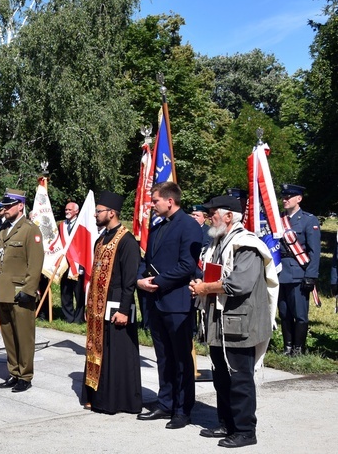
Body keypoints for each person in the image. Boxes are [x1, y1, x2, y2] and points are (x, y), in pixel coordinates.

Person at [189, 195, 278, 448]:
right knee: (221, 378)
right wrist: (201, 285)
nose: (208, 216)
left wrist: (205, 288)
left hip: (240, 323)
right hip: (220, 323)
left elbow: (239, 283)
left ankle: (245, 431)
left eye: (213, 212)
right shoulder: (218, 242)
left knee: (239, 378)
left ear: (229, 216)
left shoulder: (246, 244)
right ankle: (227, 423)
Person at [136, 181, 202, 429]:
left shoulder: (189, 226)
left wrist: (159, 281)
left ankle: (182, 409)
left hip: (177, 301)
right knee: (163, 357)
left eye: (155, 201)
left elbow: (188, 265)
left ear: (170, 201)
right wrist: (140, 280)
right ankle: (165, 403)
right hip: (155, 299)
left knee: (181, 358)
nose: (152, 205)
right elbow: (147, 259)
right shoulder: (158, 226)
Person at [82, 191, 142, 414]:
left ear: (112, 213)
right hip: (98, 306)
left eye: (99, 211)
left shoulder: (126, 241)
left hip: (117, 304)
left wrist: (124, 309)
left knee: (118, 353)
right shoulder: (101, 238)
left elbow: (129, 280)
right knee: (99, 350)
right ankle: (97, 395)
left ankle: (117, 400)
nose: (96, 215)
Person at [0, 189, 44, 393]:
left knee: (24, 336)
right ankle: (13, 372)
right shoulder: (3, 229)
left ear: (20, 206)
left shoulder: (30, 230)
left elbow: (35, 264)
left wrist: (29, 290)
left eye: (8, 206)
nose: (4, 210)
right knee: (9, 335)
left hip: (21, 292)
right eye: (3, 206)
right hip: (4, 291)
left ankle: (25, 375)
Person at [277, 184, 320, 356]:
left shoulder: (309, 220)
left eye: (289, 196)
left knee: (300, 314)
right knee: (284, 312)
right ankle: (287, 347)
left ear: (299, 199)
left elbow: (315, 251)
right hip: (281, 272)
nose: (285, 200)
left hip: (298, 272)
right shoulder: (279, 220)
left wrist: (311, 275)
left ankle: (298, 348)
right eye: (284, 197)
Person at [59, 202, 84, 323]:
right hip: (65, 263)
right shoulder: (61, 225)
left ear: (76, 211)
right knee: (65, 292)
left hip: (78, 263)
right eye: (66, 209)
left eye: (70, 209)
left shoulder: (82, 225)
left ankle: (79, 318)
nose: (67, 211)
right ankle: (68, 317)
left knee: (79, 293)